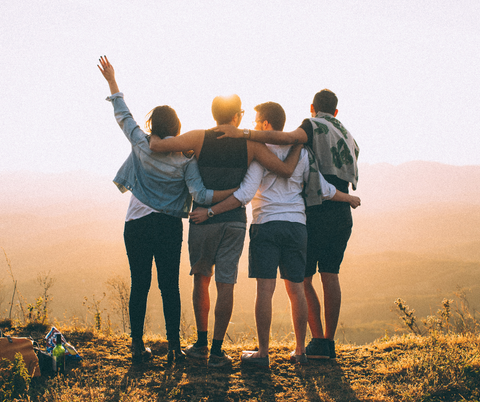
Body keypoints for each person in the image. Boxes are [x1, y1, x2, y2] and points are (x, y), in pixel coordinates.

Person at [191, 102, 360, 367]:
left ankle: (263, 353)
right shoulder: (302, 153)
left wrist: (210, 211)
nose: (255, 126)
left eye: (258, 121)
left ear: (267, 124)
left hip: (266, 225)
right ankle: (301, 351)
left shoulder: (260, 154)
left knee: (265, 290)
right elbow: (323, 188)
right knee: (296, 290)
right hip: (297, 227)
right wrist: (348, 198)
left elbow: (245, 195)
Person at [98, 56, 237, 365]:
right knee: (169, 286)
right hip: (169, 226)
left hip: (136, 222)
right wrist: (236, 193)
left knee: (140, 284)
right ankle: (174, 348)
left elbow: (123, 115)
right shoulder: (185, 158)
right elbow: (199, 194)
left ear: (152, 126)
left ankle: (137, 346)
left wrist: (112, 81)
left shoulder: (141, 143)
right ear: (177, 127)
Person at [149, 96, 302, 367]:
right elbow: (285, 170)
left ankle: (200, 344)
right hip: (234, 222)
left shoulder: (198, 138)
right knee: (226, 283)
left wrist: (153, 135)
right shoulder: (250, 144)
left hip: (201, 221)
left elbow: (160, 145)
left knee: (201, 278)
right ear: (236, 118)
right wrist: (300, 142)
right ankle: (218, 351)